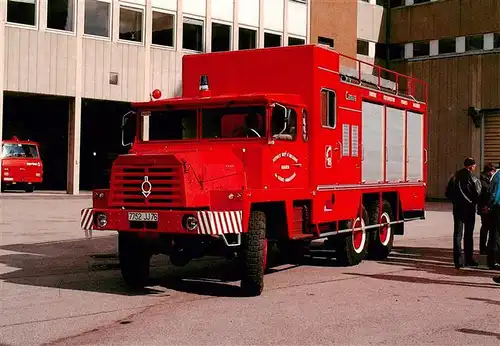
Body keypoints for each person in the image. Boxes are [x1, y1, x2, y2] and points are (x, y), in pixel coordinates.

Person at [445, 157, 482, 269]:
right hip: (469, 208)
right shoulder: (473, 177)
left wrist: (456, 201)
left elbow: (447, 193)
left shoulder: (455, 176)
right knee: (468, 234)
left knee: (457, 233)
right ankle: (469, 259)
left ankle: (457, 261)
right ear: (471, 166)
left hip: (457, 208)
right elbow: (478, 193)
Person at [478, 163, 497, 255]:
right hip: (485, 207)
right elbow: (485, 194)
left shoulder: (486, 179)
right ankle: (483, 248)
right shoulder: (482, 181)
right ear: (489, 171)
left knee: (487, 227)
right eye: (492, 171)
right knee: (486, 227)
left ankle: (486, 247)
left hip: (486, 207)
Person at [486, 163, 500, 269]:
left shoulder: (498, 176)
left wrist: (489, 205)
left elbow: (494, 193)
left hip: (497, 208)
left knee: (495, 234)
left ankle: (493, 260)